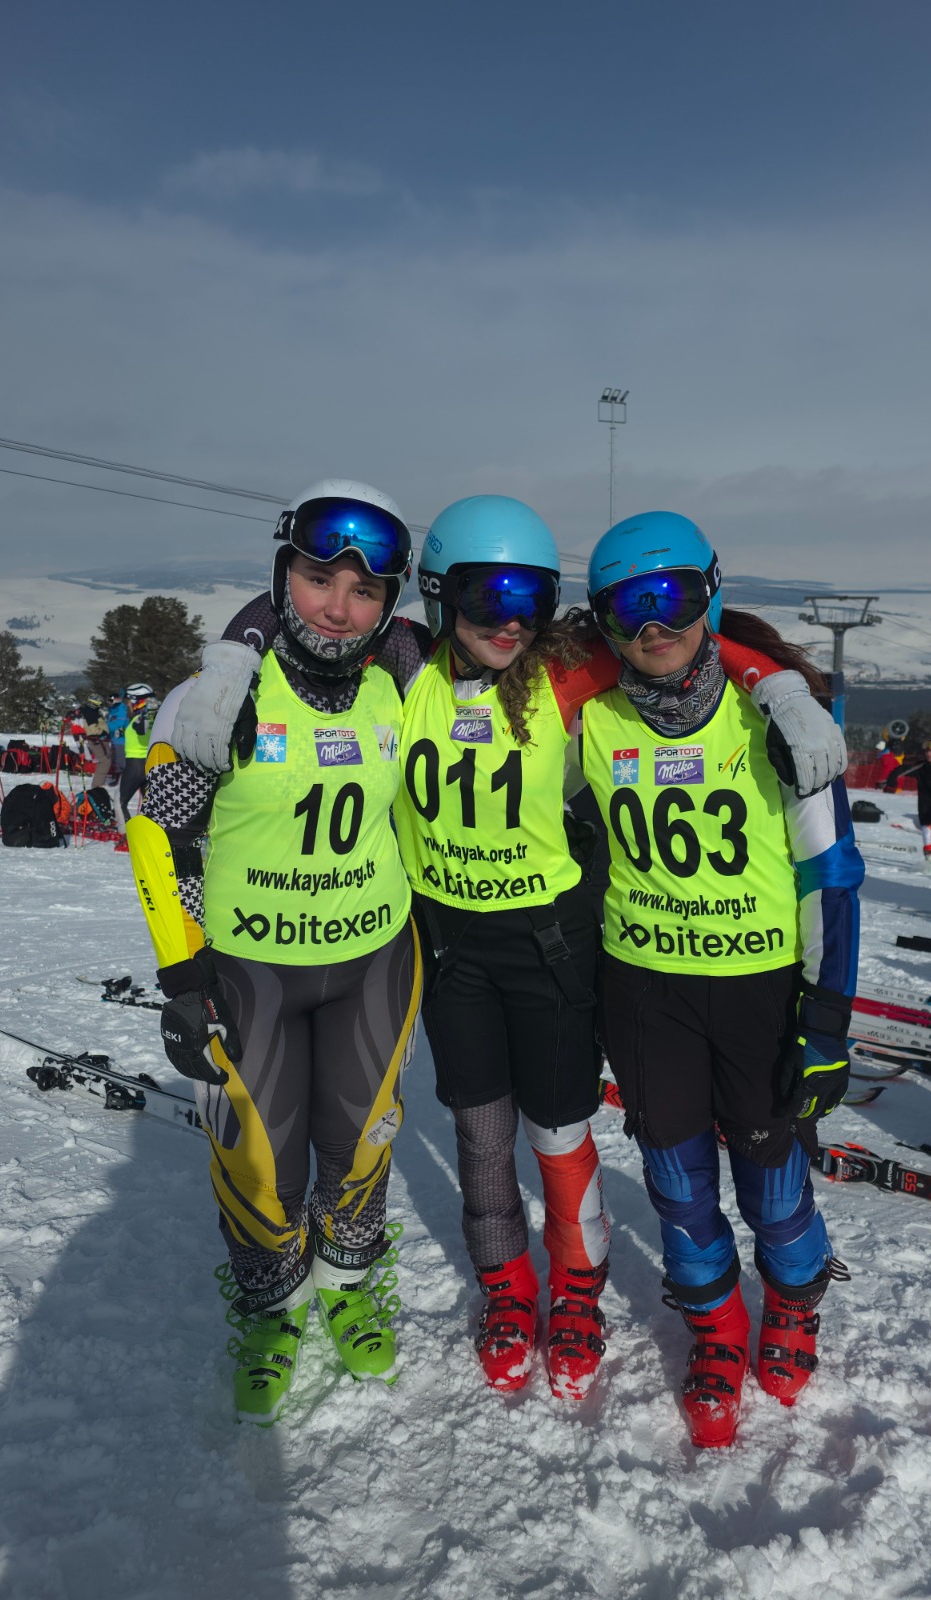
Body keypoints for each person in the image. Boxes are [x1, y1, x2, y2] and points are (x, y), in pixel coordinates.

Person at [173, 492, 850, 1403]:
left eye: (528, 597)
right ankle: (507, 1288)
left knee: (560, 1137)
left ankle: (576, 1290)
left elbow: (675, 638)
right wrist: (231, 654)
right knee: (481, 1139)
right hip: (452, 953)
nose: (508, 620)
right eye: (485, 597)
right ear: (439, 595)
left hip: (552, 950)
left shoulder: (558, 674)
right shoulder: (405, 666)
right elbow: (309, 613)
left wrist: (778, 685)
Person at [127, 480, 421, 1425]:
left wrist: (773, 681)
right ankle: (269, 1304)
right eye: (317, 578)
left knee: (359, 1144)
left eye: (365, 591)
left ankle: (347, 1283)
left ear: (390, 603)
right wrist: (183, 976)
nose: (338, 607)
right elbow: (158, 836)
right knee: (260, 1162)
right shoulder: (217, 696)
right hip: (250, 968)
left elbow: (544, 651)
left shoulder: (404, 684)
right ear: (282, 573)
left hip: (372, 958)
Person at [580, 511, 863, 1449]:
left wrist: (827, 1021)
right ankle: (716, 1331)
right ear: (605, 621)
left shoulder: (778, 720)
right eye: (630, 607)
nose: (654, 625)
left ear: (710, 592)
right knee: (678, 1183)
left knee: (772, 1181)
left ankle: (794, 1307)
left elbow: (831, 878)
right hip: (645, 990)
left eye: (673, 597)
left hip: (757, 991)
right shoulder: (594, 718)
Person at [118, 684, 156, 822]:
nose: (128, 704)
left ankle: (125, 832)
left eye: (129, 701)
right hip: (149, 765)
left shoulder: (142, 717)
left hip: (135, 766)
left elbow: (141, 729)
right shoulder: (153, 717)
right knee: (149, 805)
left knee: (120, 802)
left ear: (136, 700)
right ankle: (149, 830)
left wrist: (144, 716)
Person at [75, 695, 114, 789]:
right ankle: (97, 785)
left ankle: (98, 784)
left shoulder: (90, 711)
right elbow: (93, 729)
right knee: (105, 761)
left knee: (105, 760)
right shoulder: (90, 712)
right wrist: (102, 733)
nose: (99, 706)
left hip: (98, 739)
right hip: (96, 740)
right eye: (98, 704)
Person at [105, 692, 128, 785]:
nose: (109, 703)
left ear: (116, 701)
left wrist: (105, 728)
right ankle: (117, 776)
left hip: (121, 739)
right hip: (114, 738)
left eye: (110, 700)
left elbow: (118, 724)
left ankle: (124, 779)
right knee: (115, 758)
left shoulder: (121, 710)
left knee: (120, 759)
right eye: (108, 700)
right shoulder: (113, 710)